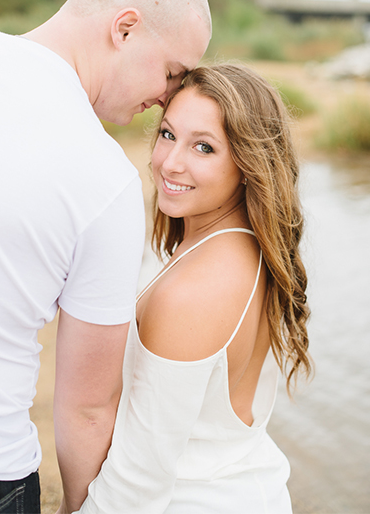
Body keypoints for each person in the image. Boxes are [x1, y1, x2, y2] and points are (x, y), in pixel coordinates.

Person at [0, 0, 212, 513]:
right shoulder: (105, 180)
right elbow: (86, 407)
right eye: (174, 71)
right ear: (125, 28)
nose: (168, 98)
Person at [75, 63, 312, 514]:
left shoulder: (192, 292)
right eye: (167, 134)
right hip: (249, 486)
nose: (170, 162)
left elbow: (137, 484)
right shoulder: (254, 250)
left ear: (248, 163)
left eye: (203, 147)